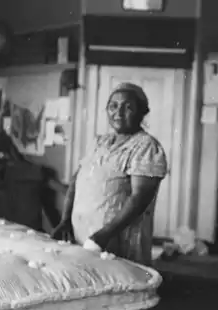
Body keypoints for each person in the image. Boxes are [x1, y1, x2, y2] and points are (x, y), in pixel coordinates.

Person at [52, 83, 167, 266]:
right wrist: (65, 220)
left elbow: (140, 198)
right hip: (83, 234)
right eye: (113, 106)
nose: (118, 112)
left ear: (142, 112)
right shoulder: (99, 142)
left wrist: (105, 234)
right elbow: (76, 181)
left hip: (115, 239)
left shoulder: (146, 147)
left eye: (128, 107)